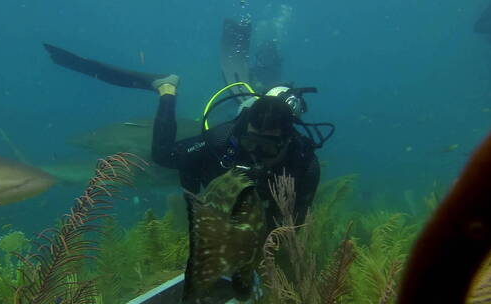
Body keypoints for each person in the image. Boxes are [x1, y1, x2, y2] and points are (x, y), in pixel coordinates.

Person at [43, 18, 334, 303]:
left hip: (259, 207)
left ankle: (266, 73)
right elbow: (166, 156)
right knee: (166, 156)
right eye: (251, 142)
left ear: (285, 142)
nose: (256, 152)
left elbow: (292, 221)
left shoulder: (303, 163)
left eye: (266, 147)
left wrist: (257, 255)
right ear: (243, 132)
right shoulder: (224, 139)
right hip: (212, 175)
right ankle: (166, 88)